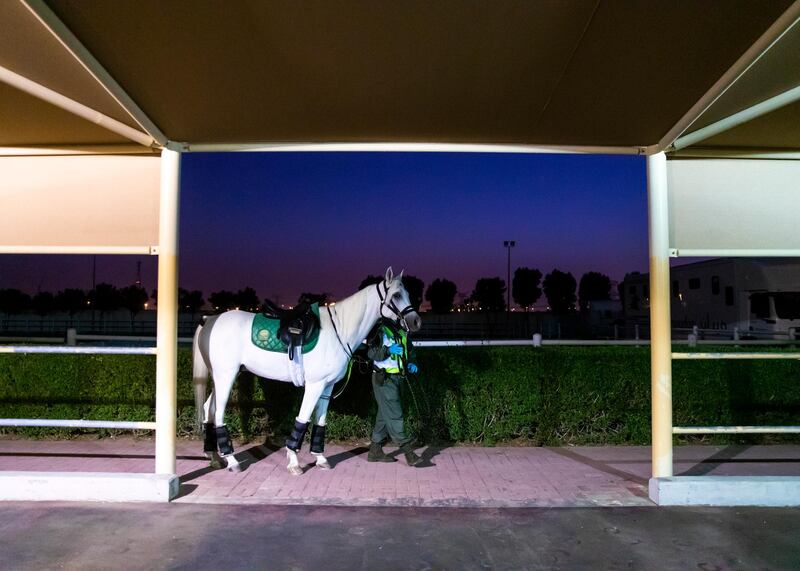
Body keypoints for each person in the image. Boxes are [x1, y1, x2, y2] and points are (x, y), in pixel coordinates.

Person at [365, 316, 422, 466]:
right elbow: (371, 354)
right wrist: (387, 350)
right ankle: (409, 453)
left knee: (385, 414)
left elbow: (410, 351)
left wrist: (411, 362)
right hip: (384, 379)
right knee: (396, 414)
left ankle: (375, 451)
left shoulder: (403, 332)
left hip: (398, 379)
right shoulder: (379, 330)